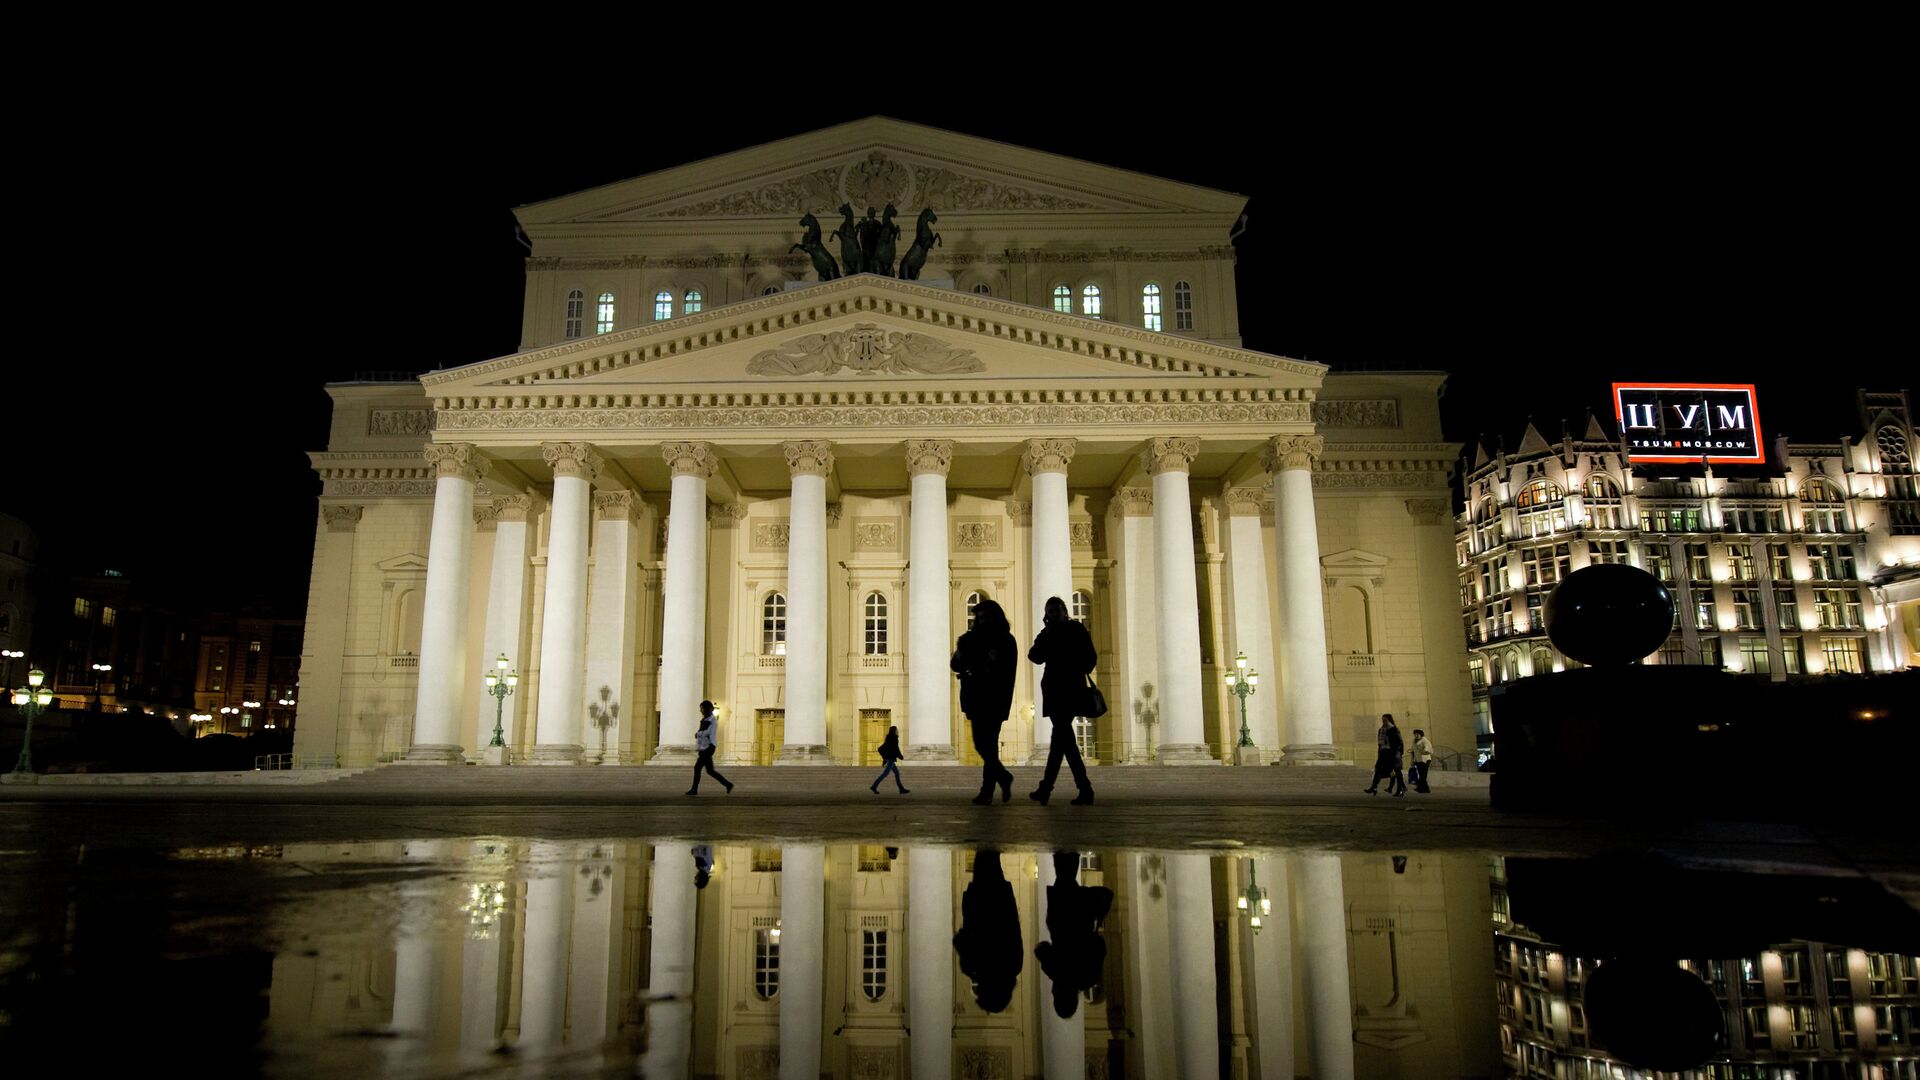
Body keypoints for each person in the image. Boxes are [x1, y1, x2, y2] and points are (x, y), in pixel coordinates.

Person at [1028, 595, 1097, 806]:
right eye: (1050, 611)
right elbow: (1034, 656)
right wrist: (1047, 633)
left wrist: (1076, 669)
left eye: (1057, 610)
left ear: (1065, 611)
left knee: (1063, 738)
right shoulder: (1047, 633)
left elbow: (1090, 657)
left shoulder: (1076, 629)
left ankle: (1077, 788)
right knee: (1061, 741)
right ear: (1046, 616)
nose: (1054, 614)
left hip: (1070, 690)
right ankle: (1050, 788)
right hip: (1053, 691)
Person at [1032, 851, 1114, 1018]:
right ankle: (1064, 850)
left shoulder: (1087, 978)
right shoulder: (1055, 971)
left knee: (1067, 879)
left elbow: (1100, 948)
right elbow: (1041, 949)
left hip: (1081, 917)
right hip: (1060, 918)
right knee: (1064, 878)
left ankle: (1070, 851)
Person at [952, 598, 1018, 805]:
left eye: (986, 617)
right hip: (975, 697)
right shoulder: (970, 640)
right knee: (985, 745)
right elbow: (955, 664)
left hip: (995, 697)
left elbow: (1007, 672)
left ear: (995, 617)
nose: (982, 621)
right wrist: (962, 648)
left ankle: (988, 790)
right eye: (979, 618)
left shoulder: (1006, 640)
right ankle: (999, 780)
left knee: (986, 744)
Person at [952, 849, 1023, 1013]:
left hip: (1001, 903)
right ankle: (986, 836)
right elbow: (959, 940)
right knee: (983, 863)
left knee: (993, 863)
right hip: (979, 906)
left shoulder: (1014, 967)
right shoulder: (974, 967)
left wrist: (1009, 902)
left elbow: (1015, 931)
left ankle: (990, 840)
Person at [685, 700, 733, 796]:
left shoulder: (712, 720)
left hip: (709, 747)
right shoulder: (705, 719)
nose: (700, 710)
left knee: (697, 767)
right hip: (705, 747)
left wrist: (698, 734)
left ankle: (694, 790)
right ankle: (728, 784)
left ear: (707, 709)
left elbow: (709, 732)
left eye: (702, 708)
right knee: (710, 771)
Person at [1365, 713, 1406, 796]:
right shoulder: (1381, 730)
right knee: (1378, 769)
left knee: (1397, 771)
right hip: (1383, 753)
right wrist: (1379, 753)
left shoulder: (1394, 729)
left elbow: (1399, 742)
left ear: (1389, 720)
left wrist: (1399, 753)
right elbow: (1379, 744)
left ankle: (1400, 789)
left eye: (1385, 719)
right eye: (1382, 719)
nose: (1383, 721)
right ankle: (1374, 787)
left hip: (1393, 753)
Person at [869, 725, 909, 794]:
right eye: (896, 730)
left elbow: (887, 748)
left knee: (897, 773)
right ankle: (874, 786)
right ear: (894, 731)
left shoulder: (889, 738)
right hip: (891, 759)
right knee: (884, 774)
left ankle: (901, 789)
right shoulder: (894, 738)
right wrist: (900, 756)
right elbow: (895, 748)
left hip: (890, 758)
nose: (897, 731)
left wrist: (884, 759)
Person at [1409, 728, 1434, 793]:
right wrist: (1412, 760)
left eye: (1417, 734)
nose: (1416, 735)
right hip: (1418, 760)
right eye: (1415, 734)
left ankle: (1419, 788)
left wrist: (1425, 750)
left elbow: (1428, 747)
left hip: (1425, 760)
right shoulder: (1414, 741)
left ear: (1421, 734)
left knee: (1423, 776)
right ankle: (1426, 790)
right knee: (1421, 775)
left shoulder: (1424, 740)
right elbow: (1413, 750)